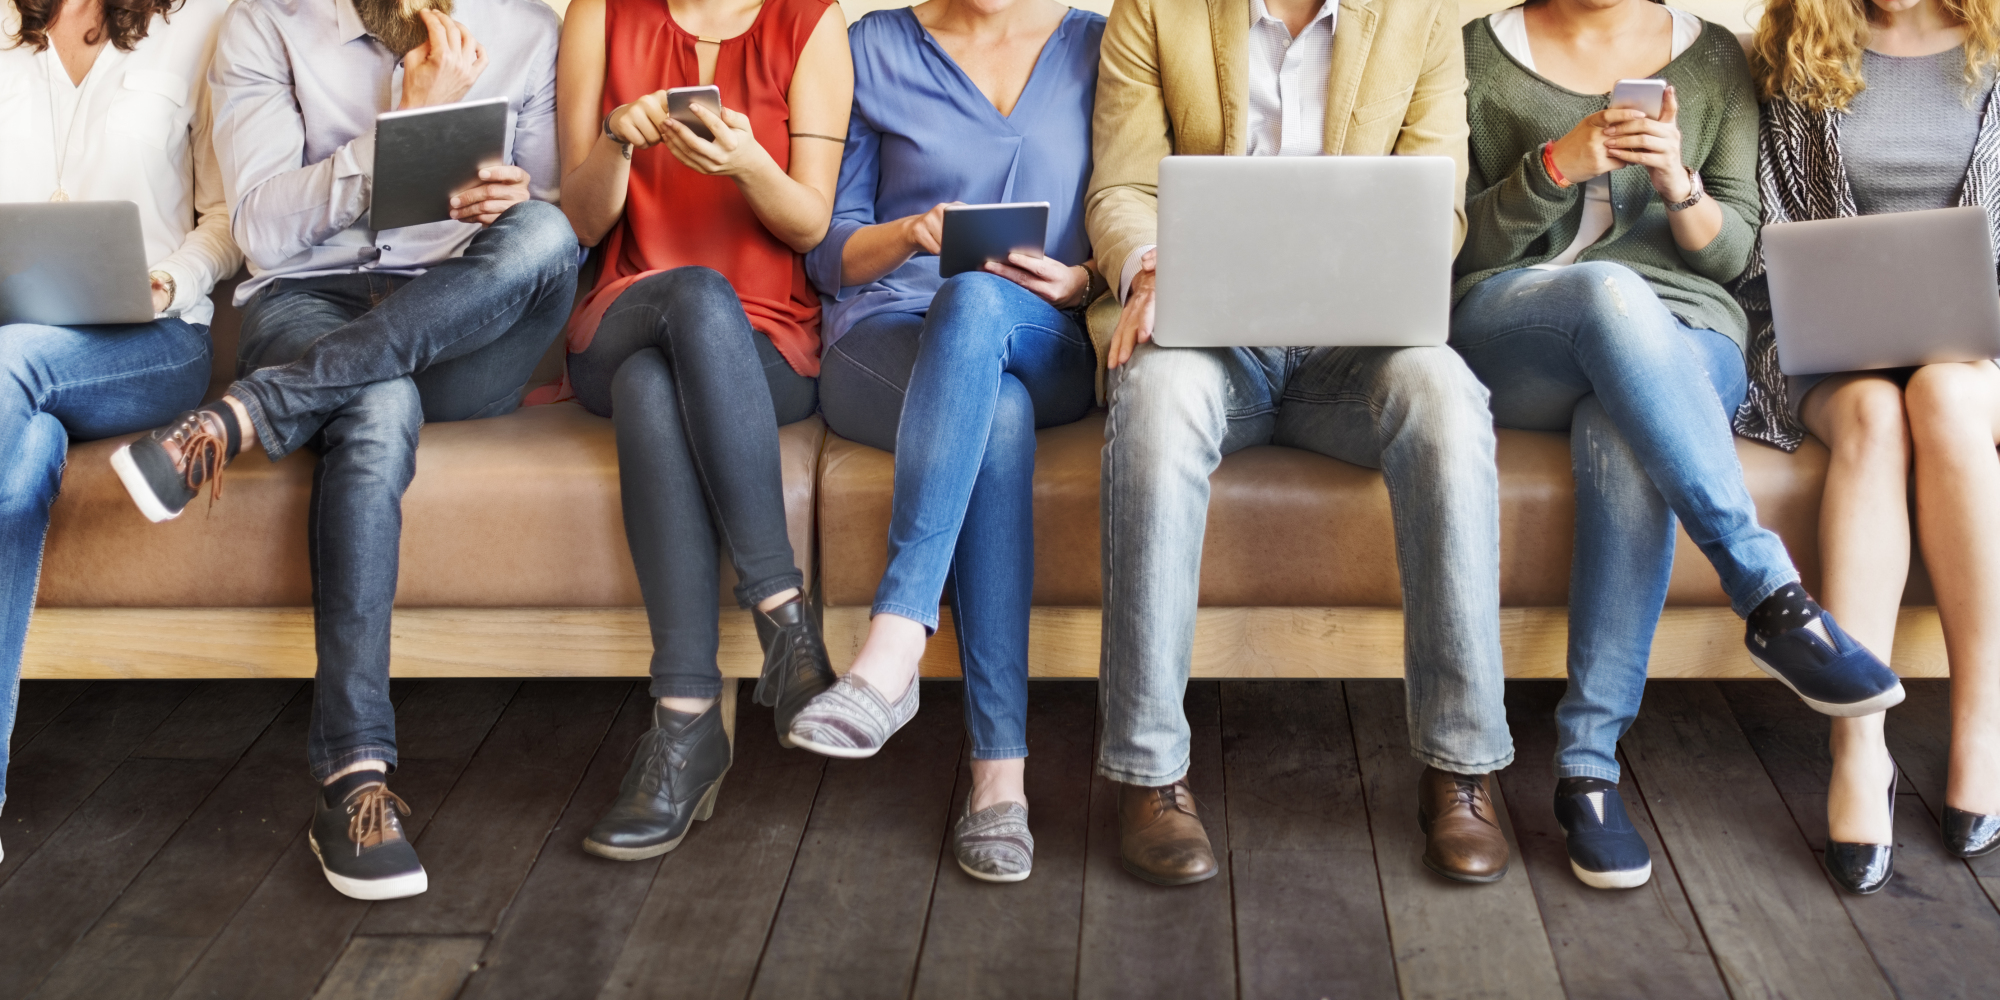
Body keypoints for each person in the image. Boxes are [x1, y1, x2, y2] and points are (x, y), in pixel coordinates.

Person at [109, 0, 578, 900]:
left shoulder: (527, 28)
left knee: (548, 235)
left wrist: (510, 199)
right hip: (313, 302)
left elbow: (552, 209)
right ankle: (354, 782)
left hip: (463, 318)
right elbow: (257, 230)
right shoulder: (265, 26)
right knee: (374, 401)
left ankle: (244, 417)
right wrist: (397, 133)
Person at [1453, 0, 1903, 893]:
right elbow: (1456, 248)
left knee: (1624, 423)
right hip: (1523, 326)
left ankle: (1587, 771)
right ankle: (1770, 596)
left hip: (1687, 337)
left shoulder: (1712, 63)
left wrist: (1678, 186)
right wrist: (1552, 167)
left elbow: (1737, 256)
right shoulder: (1476, 55)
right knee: (1611, 292)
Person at [1091, 0, 1517, 886]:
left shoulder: (1421, 17)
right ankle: (1149, 772)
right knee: (1158, 390)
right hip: (1209, 338)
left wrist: (1372, 272)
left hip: (1351, 345)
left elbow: (1440, 205)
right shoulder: (1152, 10)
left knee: (1443, 392)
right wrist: (1151, 268)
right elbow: (1121, 188)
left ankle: (1461, 766)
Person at [794, 0, 1103, 883]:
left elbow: (1135, 208)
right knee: (991, 413)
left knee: (973, 303)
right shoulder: (872, 48)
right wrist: (910, 234)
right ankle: (998, 783)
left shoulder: (1100, 46)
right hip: (888, 336)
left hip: (1041, 332)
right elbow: (828, 254)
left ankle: (892, 650)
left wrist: (1082, 278)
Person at [550, 0, 850, 862]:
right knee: (690, 299)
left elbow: (811, 223)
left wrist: (749, 162)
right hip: (626, 311)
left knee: (657, 385)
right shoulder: (600, 15)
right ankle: (784, 618)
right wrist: (616, 139)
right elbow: (581, 220)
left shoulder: (811, 24)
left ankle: (684, 730)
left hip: (765, 345)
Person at [1735, 0, 2000, 894]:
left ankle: (1981, 726)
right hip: (1829, 347)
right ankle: (1860, 749)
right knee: (1881, 416)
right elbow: (1770, 238)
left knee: (1943, 396)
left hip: (1978, 355)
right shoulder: (1798, 48)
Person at [0, 0, 240, 865]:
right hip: (13, 356)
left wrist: (169, 282)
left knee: (9, 369)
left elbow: (229, 219)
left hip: (152, 342)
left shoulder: (203, 20)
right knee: (19, 463)